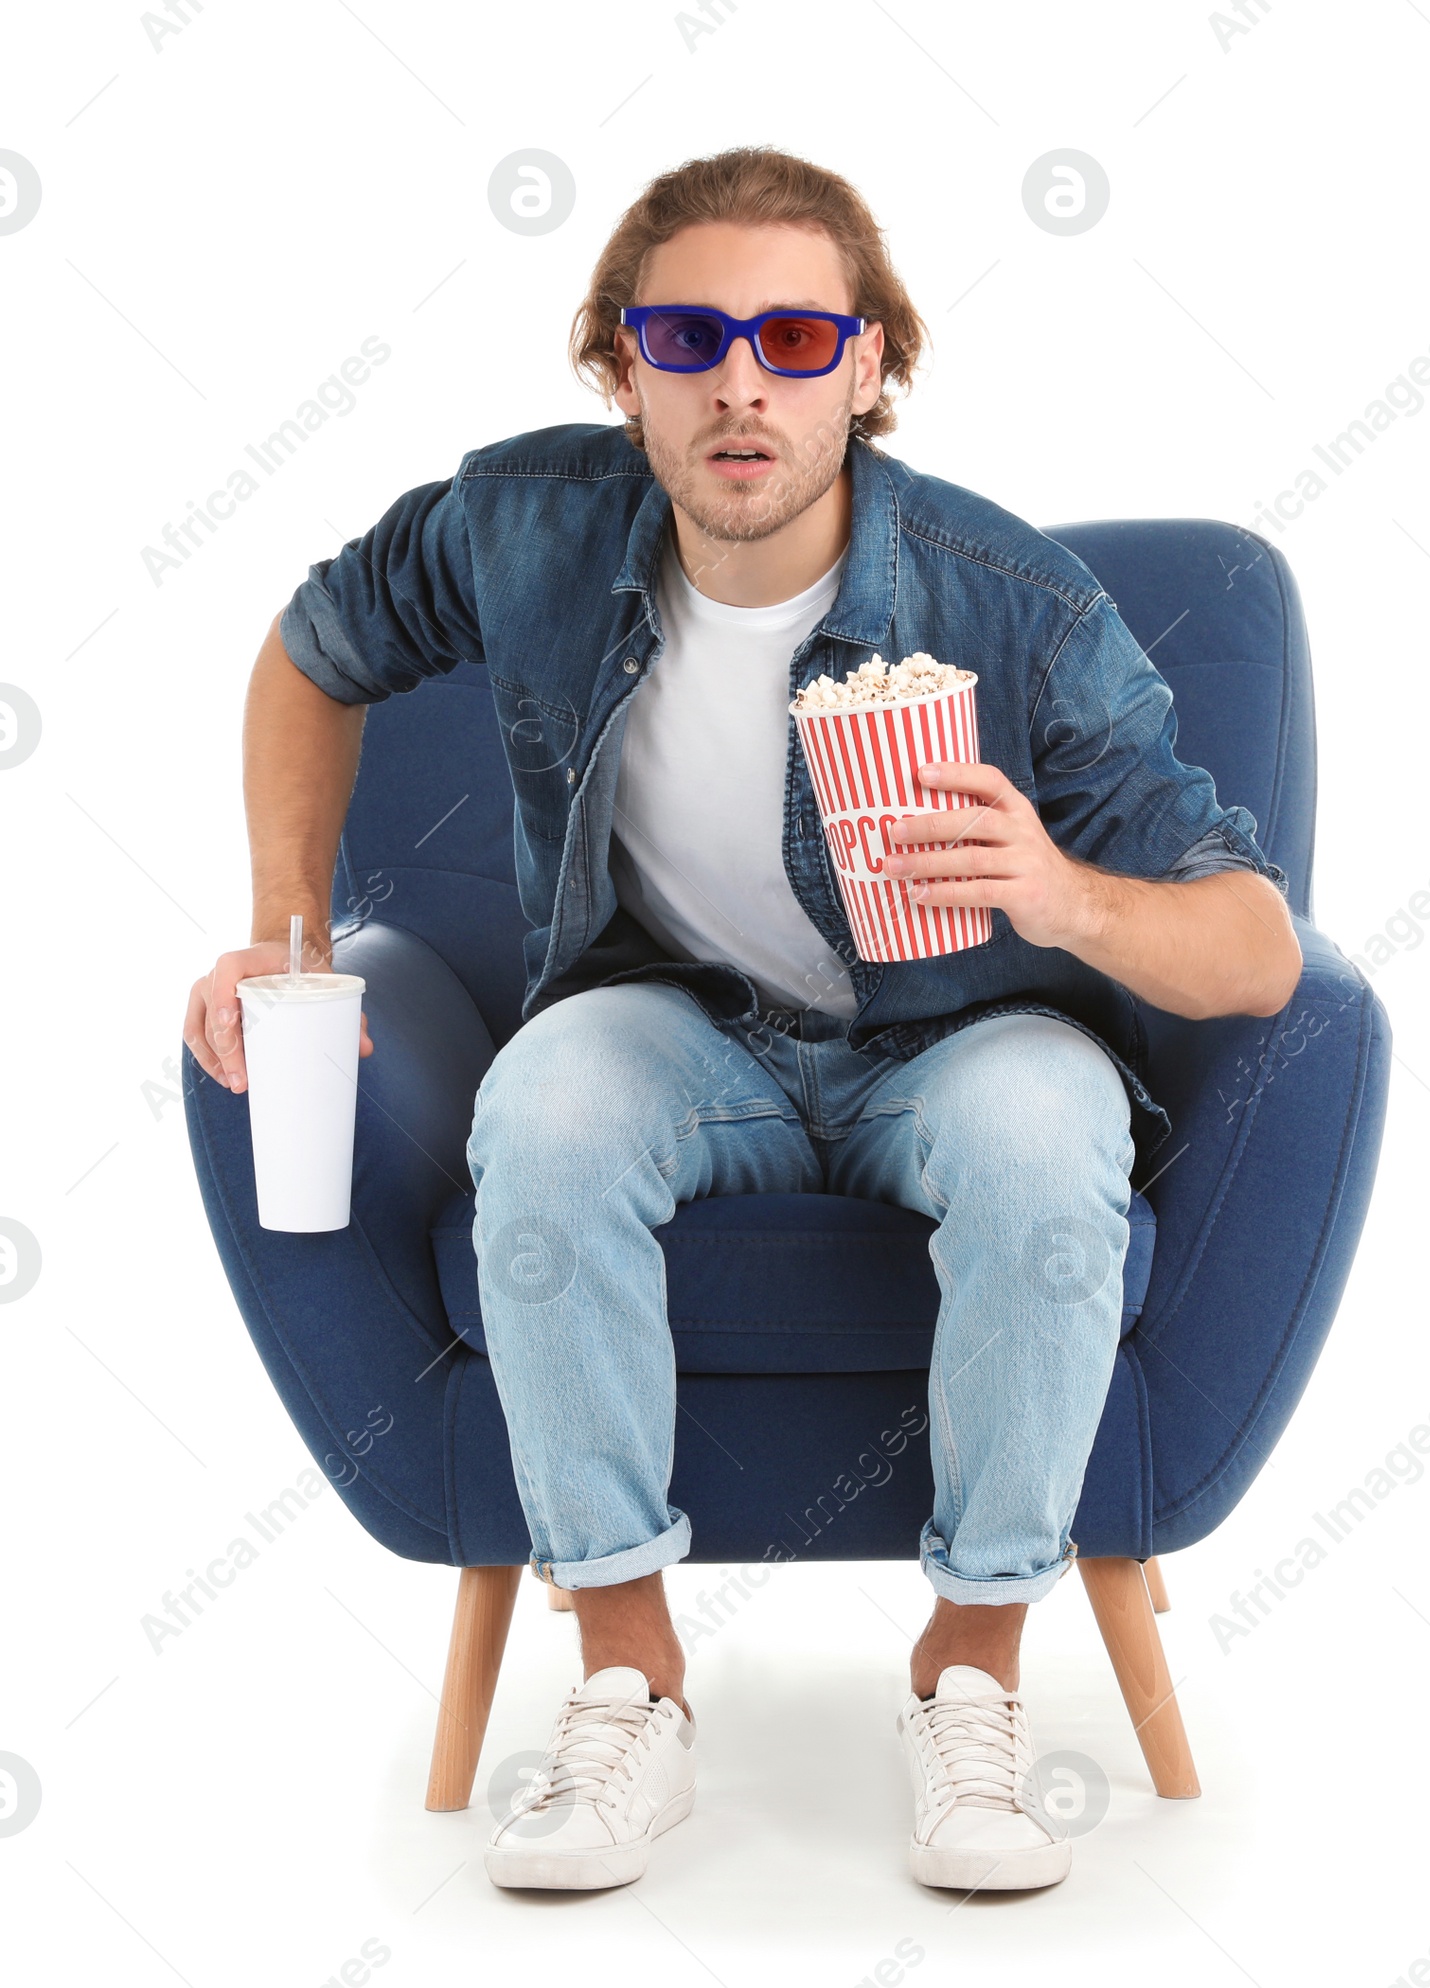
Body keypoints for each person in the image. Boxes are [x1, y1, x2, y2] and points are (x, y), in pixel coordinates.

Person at [184, 144, 1301, 1895]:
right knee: (541, 1112)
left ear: (870, 369)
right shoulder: (519, 525)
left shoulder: (1017, 609)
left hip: (968, 1031)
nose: (739, 382)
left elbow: (1257, 954)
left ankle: (974, 1675)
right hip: (675, 1027)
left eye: (794, 337)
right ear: (621, 369)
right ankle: (628, 1680)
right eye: (687, 335)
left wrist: (1057, 893)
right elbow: (312, 654)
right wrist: (283, 927)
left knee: (1044, 1134)